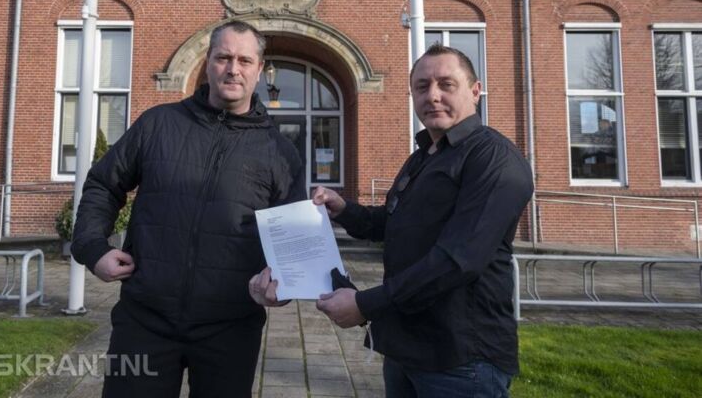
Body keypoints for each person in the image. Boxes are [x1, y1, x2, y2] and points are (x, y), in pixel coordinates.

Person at [71, 21, 305, 397]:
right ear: (208, 62)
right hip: (144, 321)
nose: (233, 69)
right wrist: (93, 249)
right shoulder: (158, 124)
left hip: (230, 329)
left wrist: (284, 284)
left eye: (245, 60)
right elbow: (102, 184)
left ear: (260, 70)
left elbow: (294, 239)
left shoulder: (280, 152)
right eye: (223, 57)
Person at [313, 44, 534, 398]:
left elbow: (457, 261)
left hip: (461, 359)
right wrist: (343, 209)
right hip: (405, 350)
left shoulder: (494, 160)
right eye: (421, 86)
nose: (432, 96)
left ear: (475, 91)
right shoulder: (423, 157)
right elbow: (393, 222)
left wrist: (364, 305)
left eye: (446, 84)